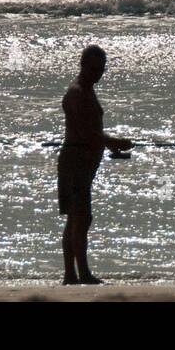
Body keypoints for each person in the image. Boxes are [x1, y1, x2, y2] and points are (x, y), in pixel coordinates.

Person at [58, 45, 133, 285]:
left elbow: (91, 133)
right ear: (82, 65)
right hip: (75, 160)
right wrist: (113, 142)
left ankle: (71, 275)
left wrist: (109, 143)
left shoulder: (87, 90)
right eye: (93, 69)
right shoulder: (77, 92)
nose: (98, 74)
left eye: (101, 69)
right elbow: (85, 133)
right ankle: (81, 274)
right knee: (80, 217)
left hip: (83, 162)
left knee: (77, 218)